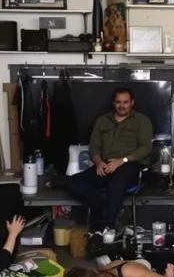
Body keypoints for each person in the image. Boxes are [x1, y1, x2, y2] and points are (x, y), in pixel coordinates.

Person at [66, 87, 153, 230]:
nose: (122, 105)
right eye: (118, 102)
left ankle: (106, 229)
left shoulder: (142, 121)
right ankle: (103, 209)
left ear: (132, 103)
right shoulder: (102, 121)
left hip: (130, 165)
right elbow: (94, 146)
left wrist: (122, 160)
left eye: (125, 102)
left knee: (116, 184)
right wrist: (98, 161)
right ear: (113, 102)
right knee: (73, 182)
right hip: (106, 165)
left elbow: (145, 148)